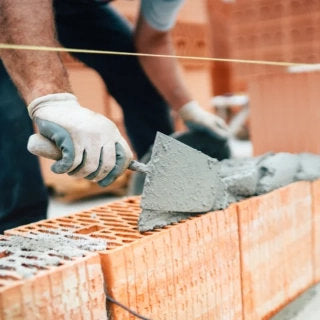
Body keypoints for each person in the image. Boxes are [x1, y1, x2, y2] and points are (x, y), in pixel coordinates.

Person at [0, 0, 229, 232]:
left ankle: (167, 187)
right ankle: (20, 232)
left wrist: (187, 107)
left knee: (137, 74)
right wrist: (51, 98)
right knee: (9, 114)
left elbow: (153, 40)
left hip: (74, 7)